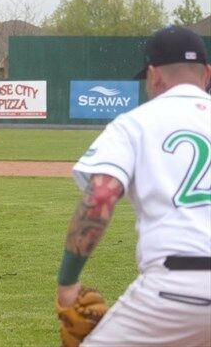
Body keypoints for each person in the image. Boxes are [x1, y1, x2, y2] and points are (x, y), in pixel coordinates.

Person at [56, 26, 211, 345]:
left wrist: (68, 282)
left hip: (177, 289)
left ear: (154, 76)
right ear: (207, 74)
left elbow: (100, 195)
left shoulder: (135, 124)